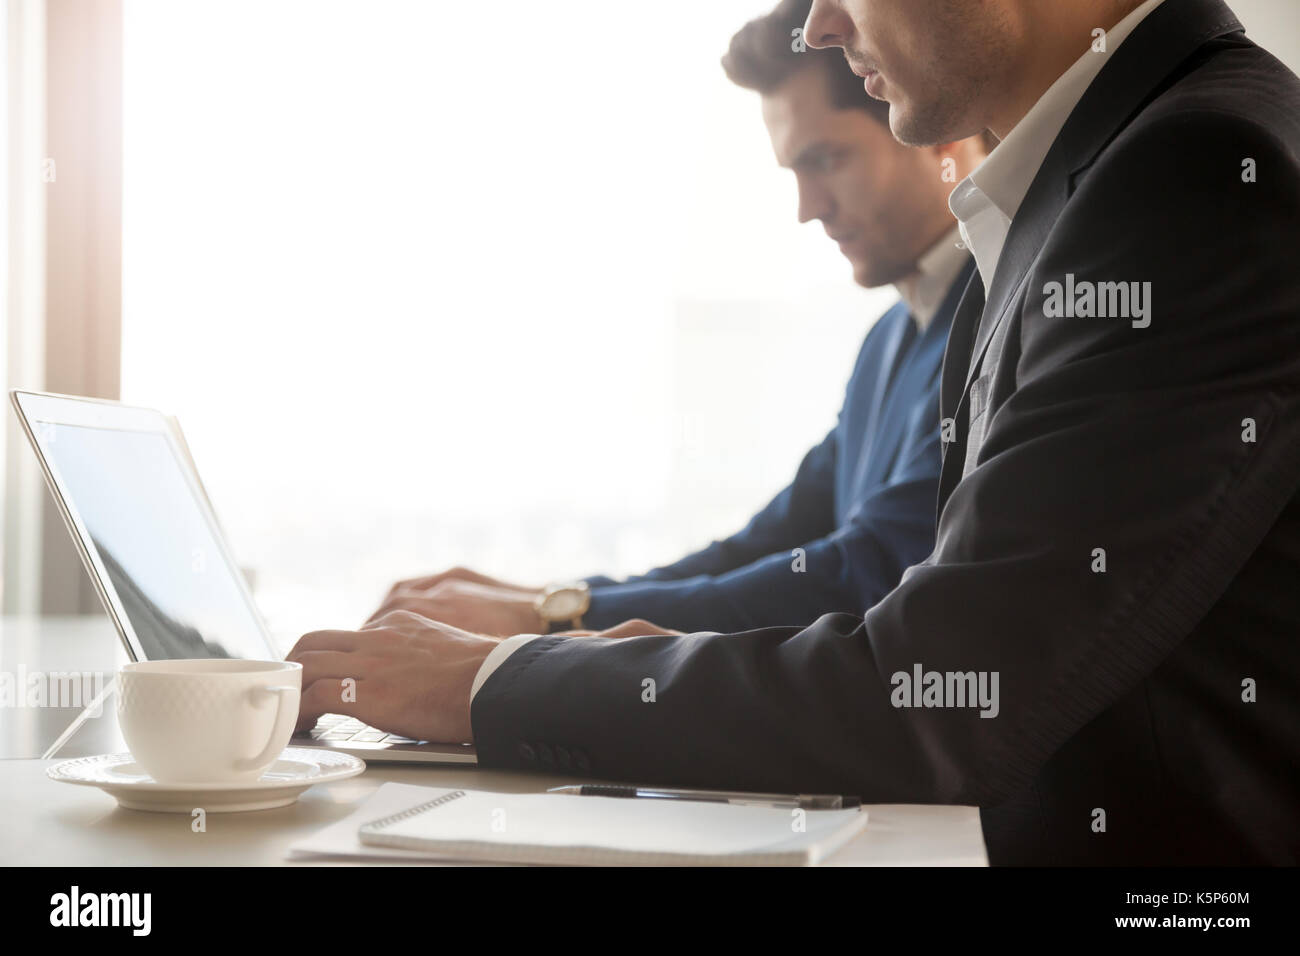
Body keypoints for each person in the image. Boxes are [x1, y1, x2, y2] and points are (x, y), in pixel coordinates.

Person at [290, 0, 1300, 864]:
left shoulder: (1192, 174)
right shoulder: (1096, 188)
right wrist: (573, 640)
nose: (819, 21)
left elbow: (941, 688)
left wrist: (493, 677)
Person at [366, 0, 985, 638]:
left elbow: (862, 572)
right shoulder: (888, 342)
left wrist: (550, 618)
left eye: (826, 159)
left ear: (933, 129)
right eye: (795, 171)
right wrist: (555, 600)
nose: (808, 208)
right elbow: (763, 548)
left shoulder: (997, 315)